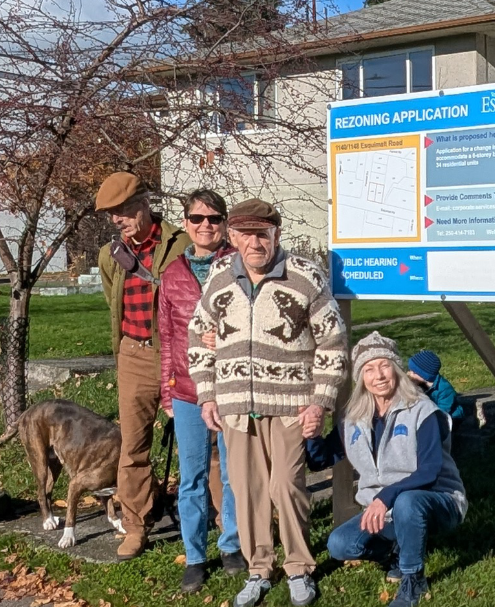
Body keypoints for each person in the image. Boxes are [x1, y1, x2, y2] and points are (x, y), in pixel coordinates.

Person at [188, 198, 348, 607]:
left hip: (293, 405)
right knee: (247, 489)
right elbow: (198, 335)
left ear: (277, 234)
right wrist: (207, 395)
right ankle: (258, 568)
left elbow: (333, 343)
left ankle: (299, 567)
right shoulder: (221, 275)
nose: (255, 242)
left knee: (286, 486)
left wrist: (320, 403)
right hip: (236, 406)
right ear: (233, 237)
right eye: (246, 234)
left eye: (263, 233)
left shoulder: (305, 276)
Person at [324, 332, 467, 607]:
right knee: (339, 544)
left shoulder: (421, 409)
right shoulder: (353, 418)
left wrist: (384, 497)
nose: (378, 375)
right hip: (386, 510)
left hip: (438, 500)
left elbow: (430, 470)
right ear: (361, 379)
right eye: (369, 369)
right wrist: (309, 432)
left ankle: (413, 579)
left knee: (407, 500)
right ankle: (397, 549)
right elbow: (321, 458)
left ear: (397, 370)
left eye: (384, 366)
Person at [96, 172, 190, 560]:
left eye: (125, 210)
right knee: (133, 446)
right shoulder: (110, 255)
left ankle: (218, 519)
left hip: (178, 354)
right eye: (112, 215)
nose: (119, 219)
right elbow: (112, 302)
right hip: (133, 354)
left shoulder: (180, 243)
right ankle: (136, 526)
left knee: (201, 442)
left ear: (145, 202)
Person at [157, 189, 245, 592]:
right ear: (186, 223)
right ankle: (194, 556)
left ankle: (231, 545)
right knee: (191, 476)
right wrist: (166, 389)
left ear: (224, 222)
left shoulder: (240, 265)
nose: (205, 225)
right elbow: (167, 336)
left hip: (230, 384)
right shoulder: (172, 274)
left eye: (213, 218)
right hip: (187, 388)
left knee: (232, 472)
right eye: (197, 219)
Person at [407, 350, 464, 426]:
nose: (410, 374)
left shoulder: (444, 389)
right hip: (431, 413)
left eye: (413, 372)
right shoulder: (420, 384)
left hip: (451, 416)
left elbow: (443, 410)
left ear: (424, 376)